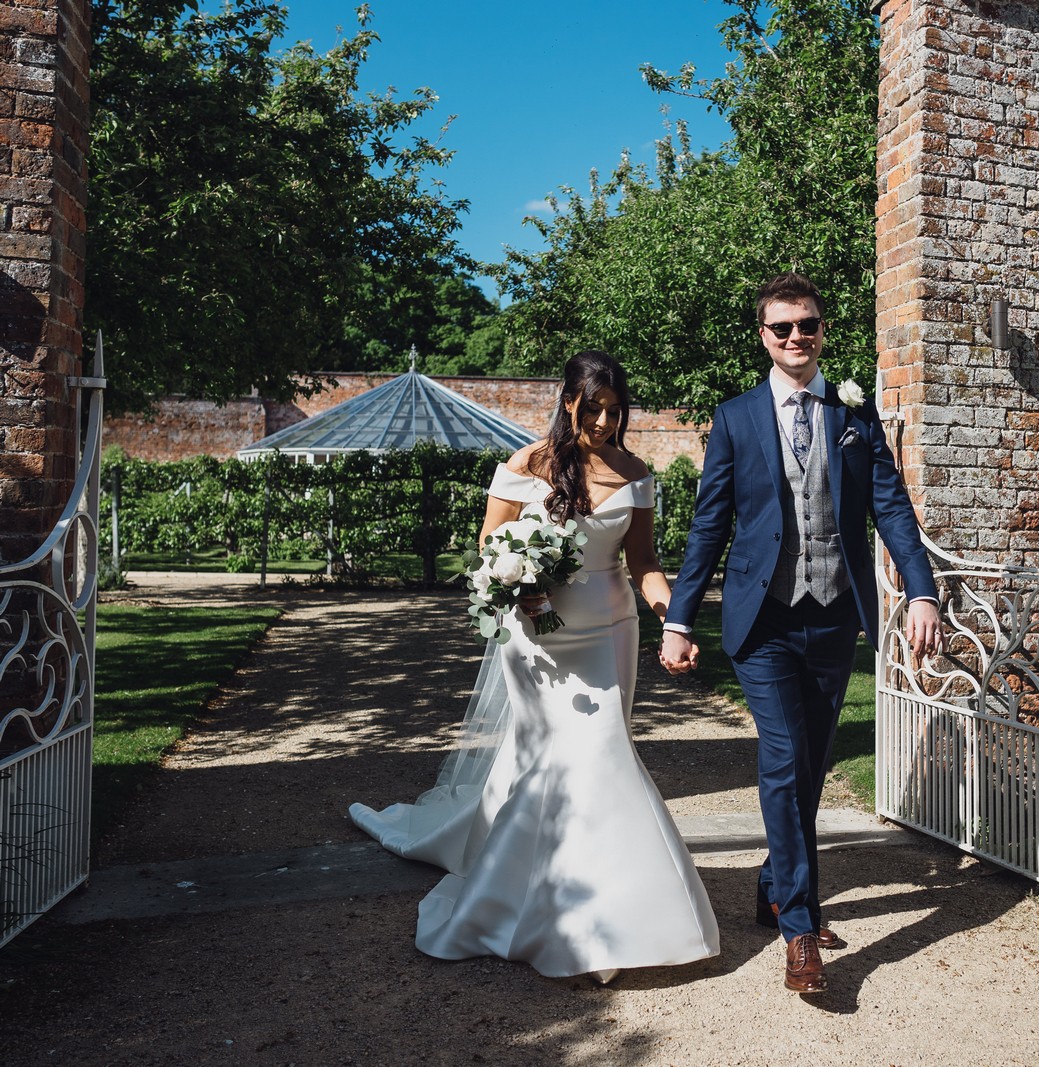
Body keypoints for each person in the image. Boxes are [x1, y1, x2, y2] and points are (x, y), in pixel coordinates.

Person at [350, 351, 719, 985]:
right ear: (568, 400)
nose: (604, 421)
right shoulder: (525, 466)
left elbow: (644, 563)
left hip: (610, 633)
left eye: (614, 410)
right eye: (593, 407)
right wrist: (517, 583)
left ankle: (605, 907)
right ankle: (554, 905)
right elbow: (491, 548)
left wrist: (671, 617)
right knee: (550, 758)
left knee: (603, 751)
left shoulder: (636, 474)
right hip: (537, 640)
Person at [659, 272, 942, 995]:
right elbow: (709, 525)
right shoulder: (735, 417)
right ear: (764, 335)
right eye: (782, 328)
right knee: (785, 757)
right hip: (764, 620)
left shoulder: (854, 411)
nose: (795, 338)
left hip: (832, 616)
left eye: (807, 326)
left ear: (821, 331)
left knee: (809, 766)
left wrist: (920, 590)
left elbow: (892, 506)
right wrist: (681, 616)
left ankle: (772, 882)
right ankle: (799, 930)